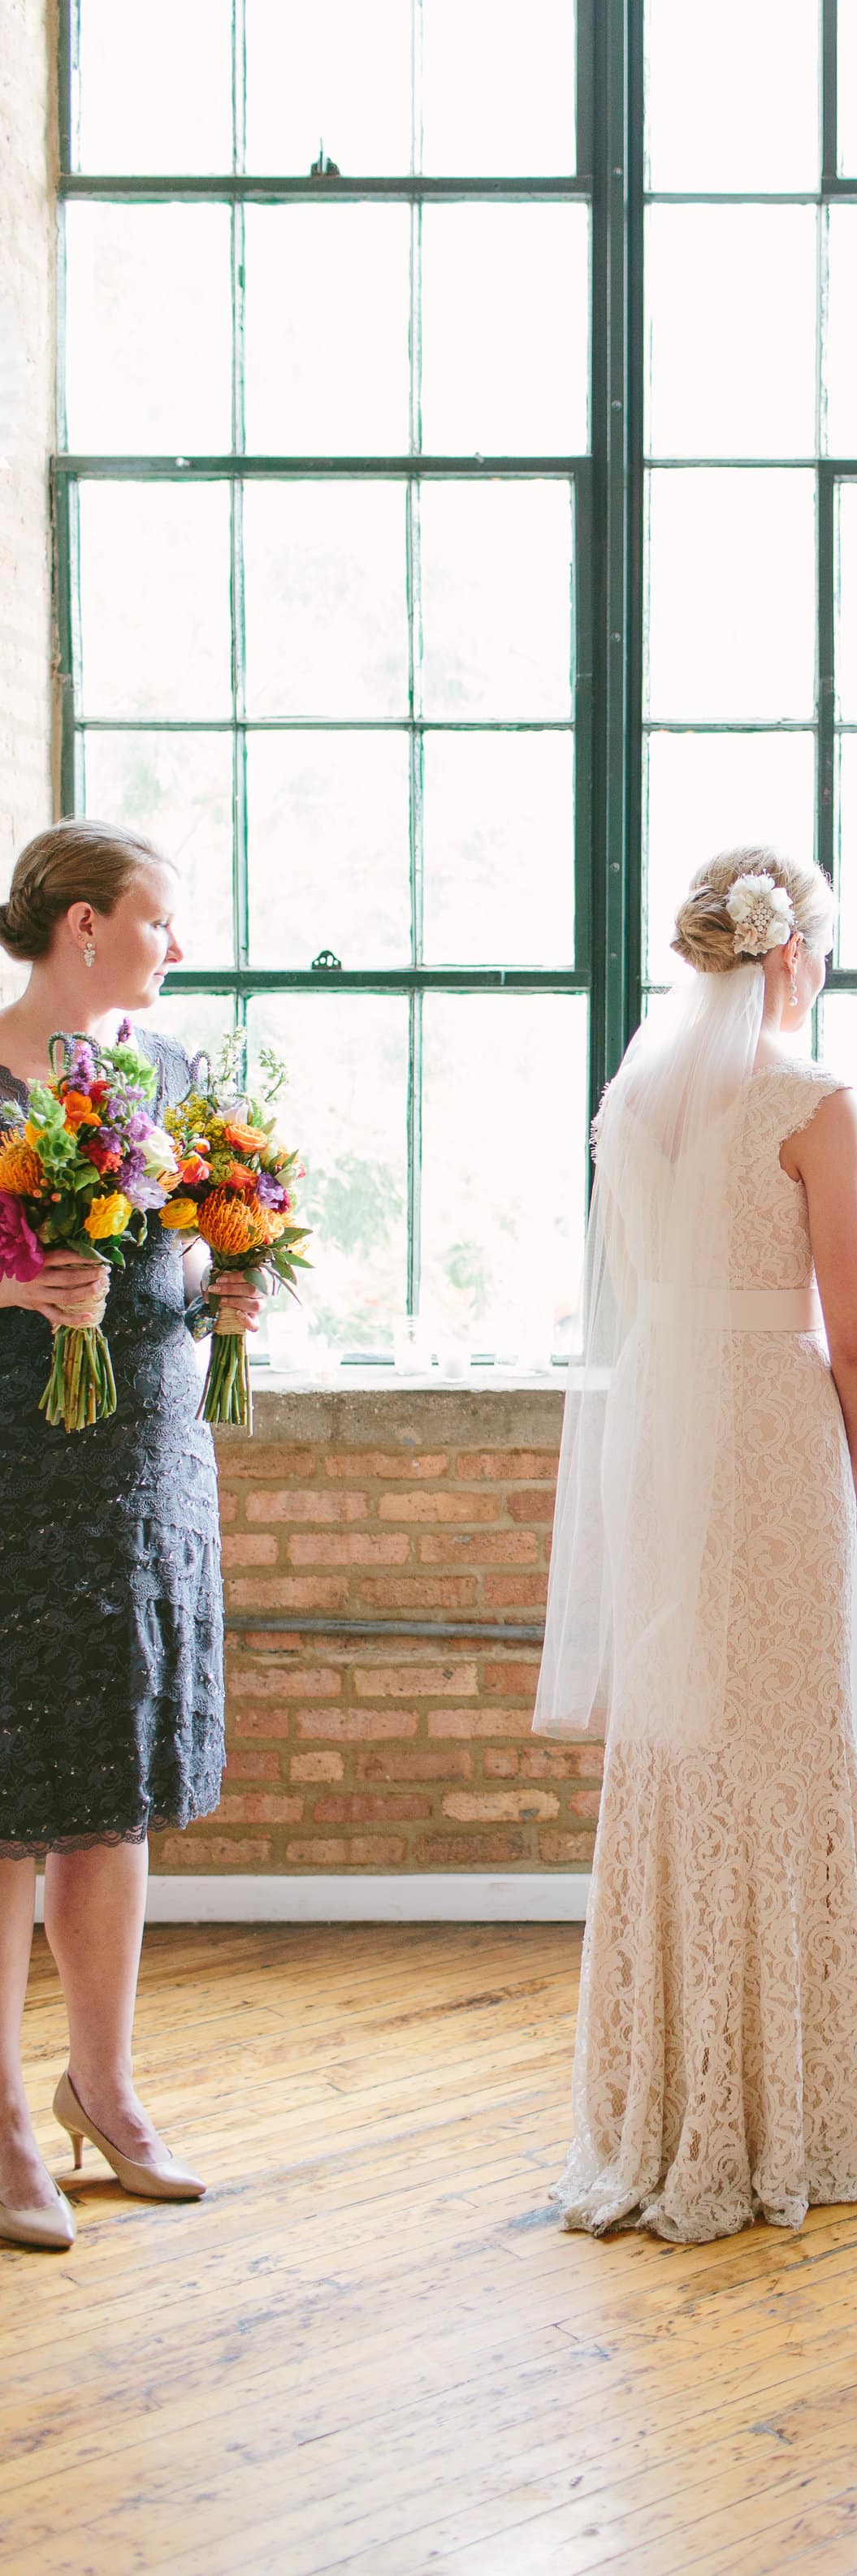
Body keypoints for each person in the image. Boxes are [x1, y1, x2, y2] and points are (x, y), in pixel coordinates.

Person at [536, 845, 857, 2242]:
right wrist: (853, 1481)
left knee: (678, 1744)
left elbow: (640, 1292)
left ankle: (660, 2103)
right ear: (792, 955)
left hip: (660, 1428)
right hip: (767, 1434)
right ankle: (784, 2115)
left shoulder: (629, 1100)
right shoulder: (811, 1100)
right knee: (785, 1744)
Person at [0, 820, 259, 2252]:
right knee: (5, 1807)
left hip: (153, 1460)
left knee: (115, 1783)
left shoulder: (174, 1078)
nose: (179, 946)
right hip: (12, 1474)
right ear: (85, 925)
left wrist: (232, 1284)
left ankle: (104, 2092)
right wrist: (11, 1295)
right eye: (161, 919)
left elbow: (196, 1234)